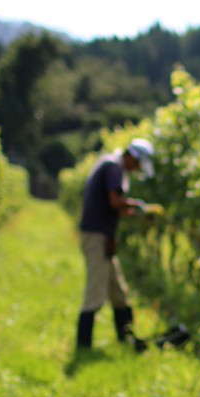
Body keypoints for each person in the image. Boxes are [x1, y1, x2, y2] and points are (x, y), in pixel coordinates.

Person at [76, 139, 154, 351]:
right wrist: (137, 205)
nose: (136, 169)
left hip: (103, 236)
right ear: (131, 157)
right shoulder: (114, 167)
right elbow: (114, 201)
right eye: (137, 165)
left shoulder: (112, 165)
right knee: (95, 293)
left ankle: (126, 339)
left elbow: (112, 206)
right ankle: (83, 347)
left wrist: (128, 211)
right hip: (96, 236)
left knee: (119, 291)